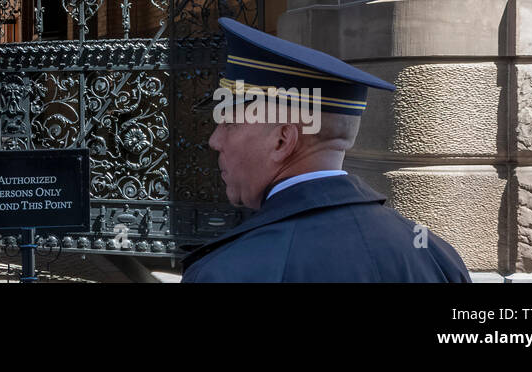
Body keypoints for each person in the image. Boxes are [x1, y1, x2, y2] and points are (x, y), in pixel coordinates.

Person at [181, 17, 470, 282]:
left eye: (228, 123)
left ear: (282, 141)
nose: (214, 140)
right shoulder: (436, 256)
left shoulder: (224, 273)